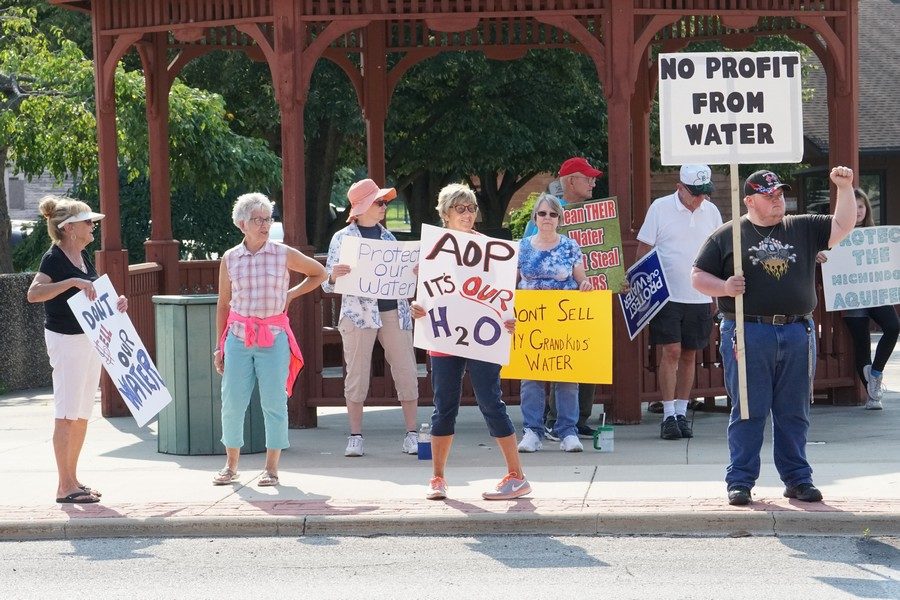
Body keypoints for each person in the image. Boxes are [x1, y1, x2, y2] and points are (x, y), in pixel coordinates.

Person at [692, 166, 857, 506]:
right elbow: (697, 275)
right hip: (748, 330)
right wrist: (723, 286)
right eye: (769, 196)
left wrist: (845, 188)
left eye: (779, 194)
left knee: (794, 410)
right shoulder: (728, 235)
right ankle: (740, 481)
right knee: (749, 409)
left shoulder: (802, 227)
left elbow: (843, 226)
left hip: (798, 329)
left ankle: (798, 479)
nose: (777, 200)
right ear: (749, 200)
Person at [411, 183, 530, 501]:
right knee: (443, 407)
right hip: (444, 335)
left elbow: (503, 294)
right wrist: (417, 307)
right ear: (445, 213)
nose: (467, 214)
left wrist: (510, 316)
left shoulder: (492, 250)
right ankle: (437, 478)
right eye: (460, 208)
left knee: (491, 402)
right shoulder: (433, 250)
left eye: (471, 208)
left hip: (483, 336)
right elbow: (424, 298)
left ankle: (517, 476)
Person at [212, 193, 327, 487]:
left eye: (268, 219)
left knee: (274, 401)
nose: (264, 225)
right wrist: (219, 346)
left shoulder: (282, 253)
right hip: (238, 336)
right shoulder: (230, 257)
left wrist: (291, 294)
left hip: (274, 336)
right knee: (232, 401)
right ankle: (231, 465)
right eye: (257, 219)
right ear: (242, 224)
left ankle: (271, 468)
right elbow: (223, 304)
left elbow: (318, 273)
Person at [27, 195, 128, 504]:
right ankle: (64, 486)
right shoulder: (54, 259)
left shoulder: (83, 257)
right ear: (70, 228)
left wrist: (116, 304)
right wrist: (70, 281)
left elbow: (92, 296)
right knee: (66, 413)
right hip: (66, 341)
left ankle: (72, 480)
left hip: (90, 341)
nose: (93, 226)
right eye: (88, 222)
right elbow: (34, 294)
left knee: (81, 414)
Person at [323, 179, 420, 457]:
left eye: (384, 202)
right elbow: (327, 284)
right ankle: (355, 436)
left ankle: (412, 433)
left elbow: (403, 278)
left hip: (394, 311)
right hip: (357, 315)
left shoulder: (389, 238)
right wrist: (333, 275)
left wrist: (411, 272)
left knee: (406, 371)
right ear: (362, 206)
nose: (384, 206)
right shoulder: (342, 239)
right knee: (356, 374)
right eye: (379, 202)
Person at [635, 165, 722, 440]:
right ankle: (669, 413)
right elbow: (644, 248)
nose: (699, 199)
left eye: (704, 193)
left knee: (689, 353)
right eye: (695, 193)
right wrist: (641, 287)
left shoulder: (712, 211)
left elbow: (720, 250)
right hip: (667, 293)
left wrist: (717, 293)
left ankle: (682, 412)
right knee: (670, 351)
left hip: (700, 293)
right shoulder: (660, 208)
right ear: (680, 188)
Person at [525, 157, 604, 439]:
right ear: (571, 181)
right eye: (588, 177)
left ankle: (577, 419)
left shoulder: (597, 214)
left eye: (594, 178)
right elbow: (526, 259)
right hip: (544, 307)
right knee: (545, 367)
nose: (594, 182)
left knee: (584, 362)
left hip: (585, 302)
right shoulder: (546, 213)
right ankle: (550, 421)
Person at [516, 193, 594, 453]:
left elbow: (580, 278)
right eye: (542, 213)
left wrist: (585, 285)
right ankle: (532, 431)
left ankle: (568, 431)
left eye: (552, 214)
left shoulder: (570, 246)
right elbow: (512, 282)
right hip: (531, 319)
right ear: (535, 218)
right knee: (531, 377)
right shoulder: (522, 247)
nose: (547, 218)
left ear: (559, 219)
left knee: (568, 377)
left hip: (564, 318)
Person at [816, 188, 898, 410]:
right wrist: (817, 253)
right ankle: (873, 395)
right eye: (854, 206)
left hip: (876, 292)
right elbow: (815, 250)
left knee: (893, 326)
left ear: (866, 208)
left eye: (861, 206)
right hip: (851, 295)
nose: (858, 211)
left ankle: (876, 373)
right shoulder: (833, 234)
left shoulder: (876, 234)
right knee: (861, 342)